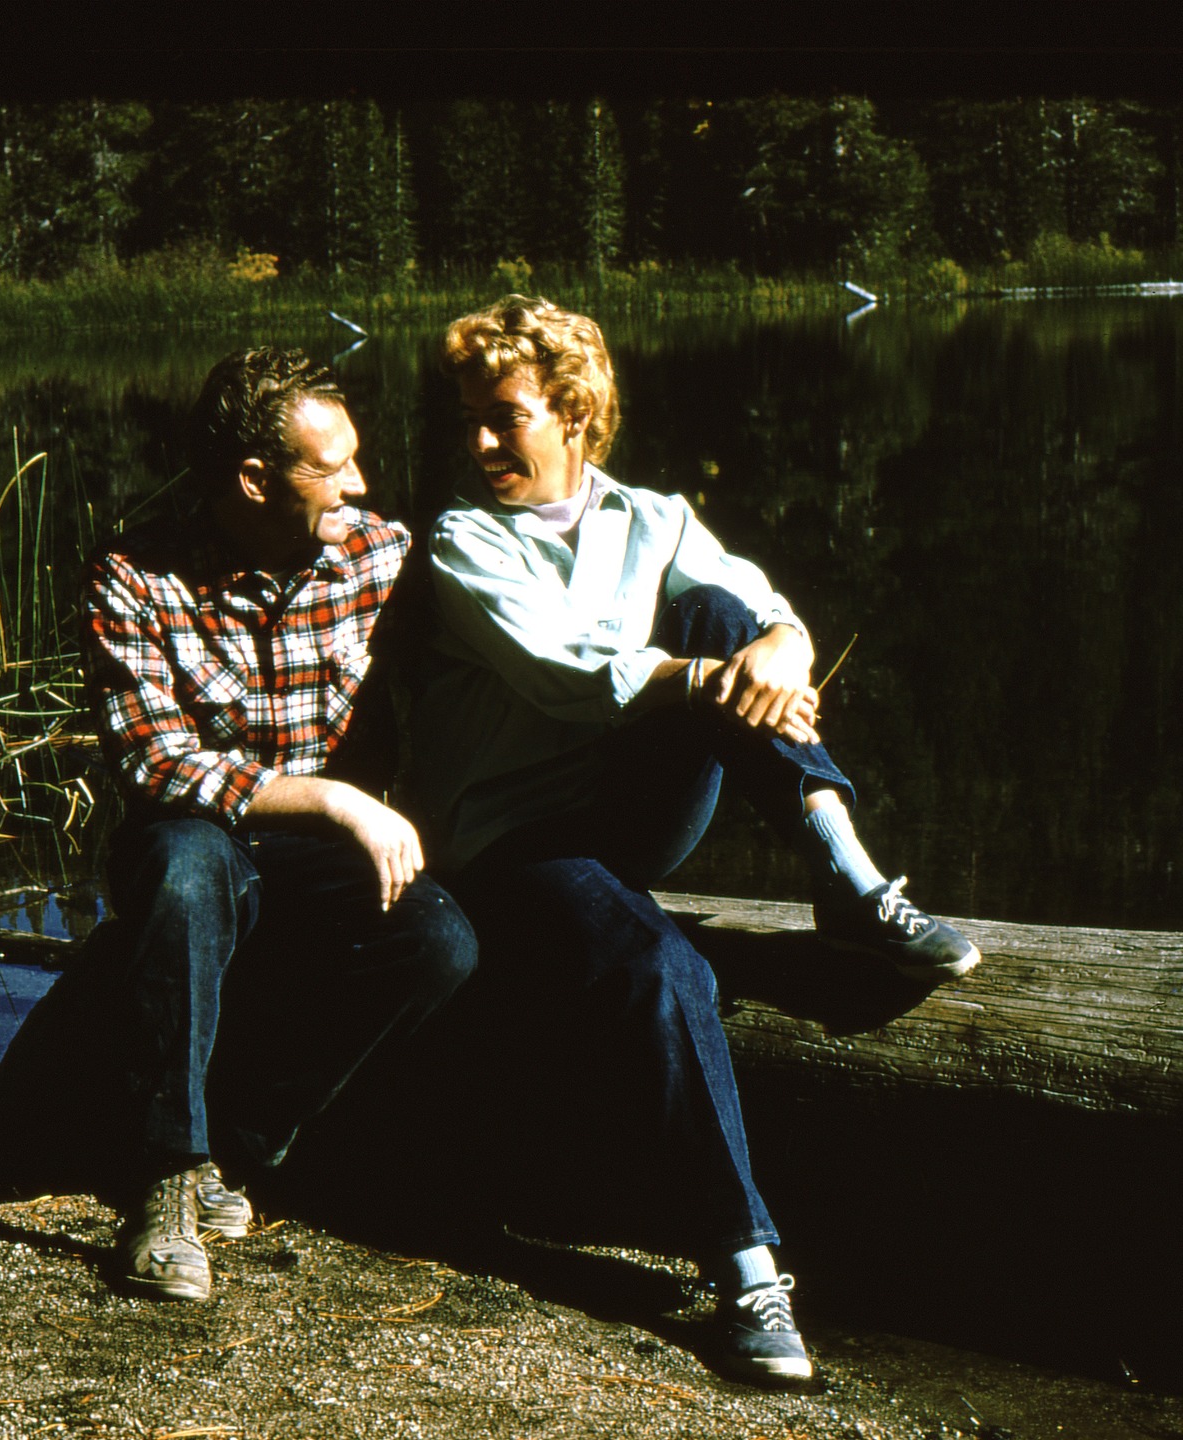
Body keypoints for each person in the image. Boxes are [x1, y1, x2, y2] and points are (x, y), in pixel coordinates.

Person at [405, 295, 979, 1384]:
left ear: (574, 414)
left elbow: (766, 611)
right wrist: (711, 678)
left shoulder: (653, 515)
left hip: (631, 812)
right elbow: (562, 672)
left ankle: (849, 881)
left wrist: (780, 646)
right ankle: (748, 1270)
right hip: (512, 844)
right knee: (665, 967)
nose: (479, 442)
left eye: (506, 417)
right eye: (468, 419)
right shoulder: (461, 540)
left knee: (729, 613)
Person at [44, 349, 475, 1304]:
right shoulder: (134, 576)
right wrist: (331, 796)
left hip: (323, 855)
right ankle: (163, 1185)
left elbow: (522, 616)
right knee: (184, 869)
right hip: (197, 835)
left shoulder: (379, 555)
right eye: (335, 467)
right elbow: (155, 765)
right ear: (254, 479)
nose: (360, 484)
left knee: (439, 941)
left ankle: (230, 1151)